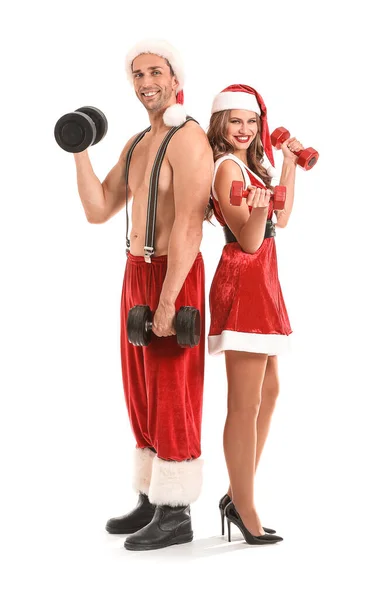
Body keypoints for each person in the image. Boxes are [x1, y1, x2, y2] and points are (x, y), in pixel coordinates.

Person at [73, 39, 213, 551]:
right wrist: (79, 149)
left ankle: (177, 514)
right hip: (135, 270)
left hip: (173, 274)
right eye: (137, 74)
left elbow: (191, 226)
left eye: (155, 71)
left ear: (175, 78)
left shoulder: (188, 138)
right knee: (139, 388)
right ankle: (153, 496)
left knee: (173, 387)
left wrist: (170, 299)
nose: (146, 82)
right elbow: (99, 207)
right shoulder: (136, 142)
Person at [206, 84, 304, 545]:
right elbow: (247, 239)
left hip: (263, 280)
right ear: (220, 126)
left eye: (251, 122)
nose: (244, 130)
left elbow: (278, 223)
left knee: (271, 388)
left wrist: (288, 161)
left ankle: (235, 492)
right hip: (242, 283)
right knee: (244, 404)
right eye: (234, 121)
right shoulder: (226, 167)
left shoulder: (251, 166)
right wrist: (258, 212)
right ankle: (243, 506)